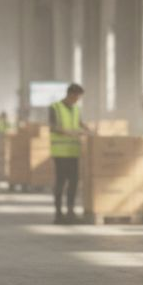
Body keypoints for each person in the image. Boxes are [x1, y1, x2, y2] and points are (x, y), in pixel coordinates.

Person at [49, 83, 90, 224]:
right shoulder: (55, 107)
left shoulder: (76, 109)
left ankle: (70, 212)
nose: (77, 100)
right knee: (60, 183)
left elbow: (79, 122)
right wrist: (70, 133)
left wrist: (87, 129)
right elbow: (53, 127)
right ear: (70, 94)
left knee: (74, 183)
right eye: (77, 97)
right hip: (60, 153)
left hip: (73, 152)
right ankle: (58, 214)